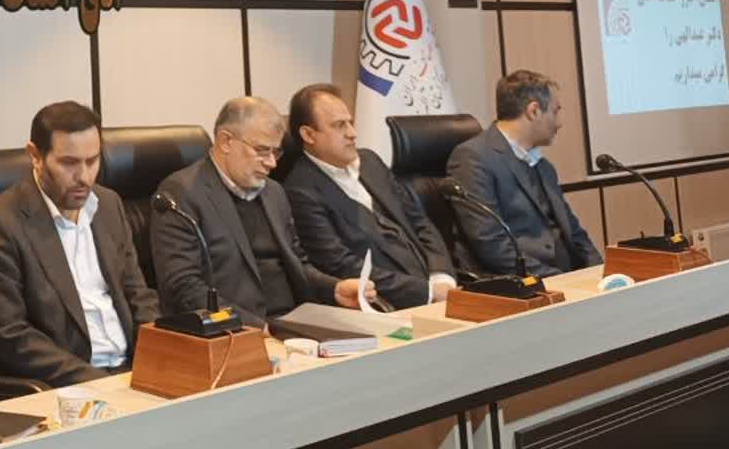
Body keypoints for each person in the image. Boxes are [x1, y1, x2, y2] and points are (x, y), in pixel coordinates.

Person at [0, 101, 159, 386]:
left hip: (130, 373)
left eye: (92, 161)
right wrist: (100, 384)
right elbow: (9, 334)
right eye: (69, 163)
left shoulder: (108, 205)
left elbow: (138, 295)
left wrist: (160, 357)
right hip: (61, 384)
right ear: (35, 155)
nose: (84, 177)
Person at [152, 97, 371, 326]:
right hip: (236, 331)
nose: (272, 163)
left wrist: (334, 289)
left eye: (276, 152)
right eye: (262, 150)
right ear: (226, 141)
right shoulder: (181, 194)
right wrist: (253, 326)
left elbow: (298, 264)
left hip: (293, 323)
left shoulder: (274, 192)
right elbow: (184, 287)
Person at [283, 84, 456, 308]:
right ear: (308, 134)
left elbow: (419, 221)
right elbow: (339, 264)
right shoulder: (300, 191)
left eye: (350, 123)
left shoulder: (370, 162)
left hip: (439, 289)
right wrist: (427, 292)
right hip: (389, 305)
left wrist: (441, 275)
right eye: (339, 125)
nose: (352, 133)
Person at [447, 70, 602, 277]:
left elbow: (575, 233)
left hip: (567, 277)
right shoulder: (473, 158)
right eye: (555, 112)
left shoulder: (543, 165)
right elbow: (492, 246)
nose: (559, 123)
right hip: (525, 281)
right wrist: (559, 280)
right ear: (534, 111)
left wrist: (602, 273)